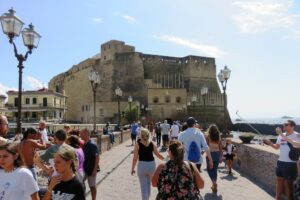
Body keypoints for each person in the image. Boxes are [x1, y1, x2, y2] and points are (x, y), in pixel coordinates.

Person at [263, 120, 299, 200]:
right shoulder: (280, 136)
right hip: (280, 162)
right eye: (283, 125)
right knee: (279, 182)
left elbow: (295, 144)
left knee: (288, 184)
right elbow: (277, 147)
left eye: (286, 124)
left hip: (291, 163)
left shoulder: (297, 135)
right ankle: (277, 198)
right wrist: (270, 143)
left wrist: (281, 134)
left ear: (292, 126)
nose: (284, 126)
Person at [131, 128, 164, 200]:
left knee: (143, 187)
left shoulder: (137, 144)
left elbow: (135, 158)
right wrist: (166, 159)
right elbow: (158, 154)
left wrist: (132, 168)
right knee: (148, 184)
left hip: (142, 165)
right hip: (151, 165)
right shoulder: (152, 143)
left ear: (140, 135)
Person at [80, 128, 100, 200]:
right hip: (85, 168)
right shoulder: (85, 143)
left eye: (81, 133)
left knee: (92, 186)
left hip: (91, 169)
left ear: (86, 134)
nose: (80, 134)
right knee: (80, 183)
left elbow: (97, 157)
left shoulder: (92, 144)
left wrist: (95, 169)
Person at [205, 124, 223, 193]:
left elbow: (206, 147)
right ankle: (213, 185)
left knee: (209, 170)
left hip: (210, 155)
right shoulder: (218, 137)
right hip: (217, 155)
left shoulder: (208, 137)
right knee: (215, 170)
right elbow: (221, 149)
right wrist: (221, 157)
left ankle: (214, 183)